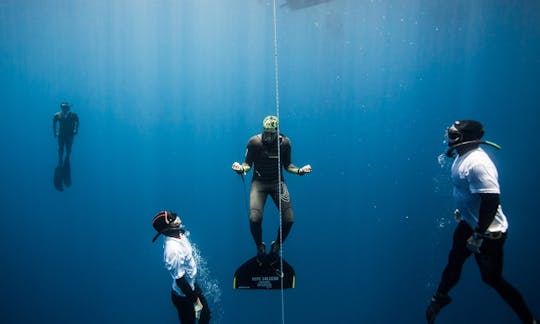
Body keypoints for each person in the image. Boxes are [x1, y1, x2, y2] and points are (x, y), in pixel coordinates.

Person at [426, 120, 537, 324]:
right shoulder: (461, 156)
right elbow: (468, 191)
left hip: (488, 233)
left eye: (454, 135)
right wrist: (464, 211)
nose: (449, 139)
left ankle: (528, 319)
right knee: (455, 259)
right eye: (449, 133)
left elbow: (491, 200)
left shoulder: (478, 164)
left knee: (492, 279)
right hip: (470, 223)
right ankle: (440, 296)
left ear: (468, 139)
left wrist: (479, 235)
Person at [232, 115, 312, 265]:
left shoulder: (285, 143)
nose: (267, 136)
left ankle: (276, 247)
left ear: (276, 132)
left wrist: (300, 171)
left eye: (271, 133)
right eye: (265, 132)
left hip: (277, 183)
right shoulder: (254, 142)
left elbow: (288, 166)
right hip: (259, 184)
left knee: (289, 220)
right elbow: (247, 165)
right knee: (254, 219)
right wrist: (241, 168)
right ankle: (260, 247)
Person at [152, 210, 211, 324]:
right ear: (168, 226)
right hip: (183, 296)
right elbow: (180, 280)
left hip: (191, 286)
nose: (177, 216)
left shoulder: (177, 234)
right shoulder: (173, 250)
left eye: (174, 214)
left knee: (206, 315)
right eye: (172, 217)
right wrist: (195, 301)